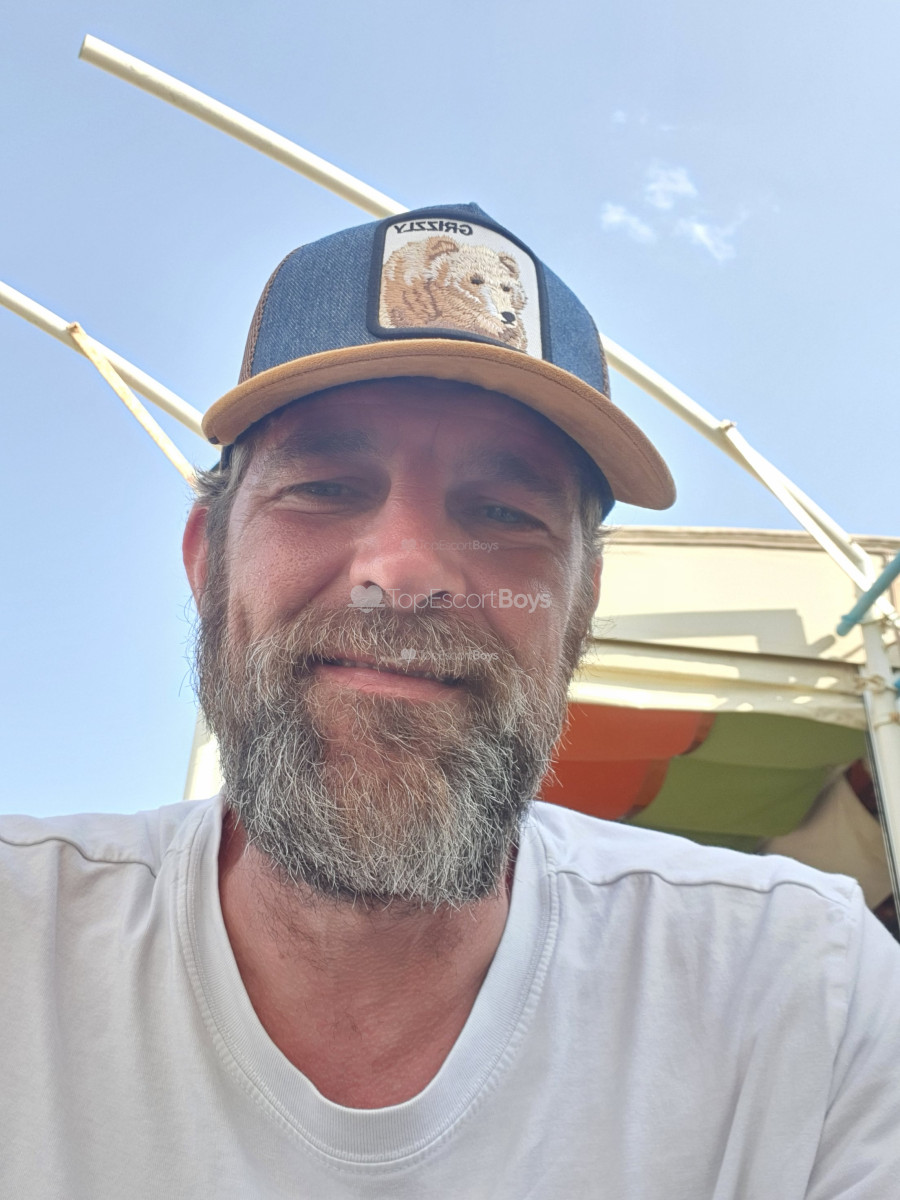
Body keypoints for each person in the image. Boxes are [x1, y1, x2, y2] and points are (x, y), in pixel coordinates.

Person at [2, 203, 899, 1199]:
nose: (404, 571)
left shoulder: (805, 994)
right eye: (324, 487)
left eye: (504, 511)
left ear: (581, 608)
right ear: (207, 562)